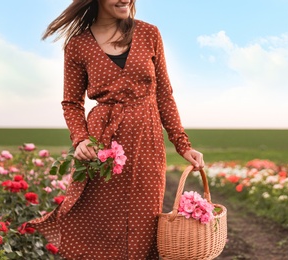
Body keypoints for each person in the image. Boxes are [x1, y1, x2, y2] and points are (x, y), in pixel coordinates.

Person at [27, 0, 204, 259]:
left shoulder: (149, 33)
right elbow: (72, 102)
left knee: (145, 221)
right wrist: (81, 140)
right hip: (103, 147)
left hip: (146, 141)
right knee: (98, 219)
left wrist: (183, 145)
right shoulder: (78, 45)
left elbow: (164, 94)